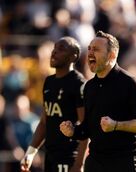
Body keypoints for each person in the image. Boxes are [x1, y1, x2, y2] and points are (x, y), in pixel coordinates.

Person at [59, 31, 136, 172]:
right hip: (96, 162)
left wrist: (116, 125)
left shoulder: (130, 83)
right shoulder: (89, 87)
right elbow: (87, 128)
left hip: (125, 162)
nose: (90, 53)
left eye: (96, 49)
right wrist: (73, 131)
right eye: (90, 48)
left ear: (112, 55)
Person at [20, 37, 88, 172]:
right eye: (54, 48)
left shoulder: (78, 83)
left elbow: (86, 128)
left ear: (73, 57)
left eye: (61, 49)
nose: (54, 52)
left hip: (68, 156)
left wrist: (78, 164)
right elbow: (45, 122)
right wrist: (30, 153)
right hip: (50, 155)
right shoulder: (49, 82)